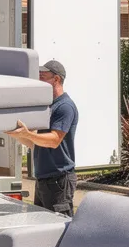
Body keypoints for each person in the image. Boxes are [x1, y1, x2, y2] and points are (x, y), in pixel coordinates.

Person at [6, 59, 78, 216]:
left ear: (56, 79)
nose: (39, 81)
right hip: (44, 180)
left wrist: (28, 134)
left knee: (59, 228)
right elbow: (38, 145)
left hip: (59, 180)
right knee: (42, 227)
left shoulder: (65, 106)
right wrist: (17, 134)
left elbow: (54, 140)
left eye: (43, 77)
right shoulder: (49, 106)